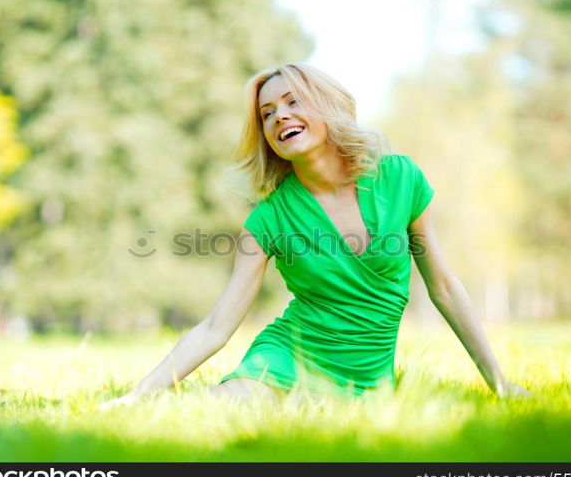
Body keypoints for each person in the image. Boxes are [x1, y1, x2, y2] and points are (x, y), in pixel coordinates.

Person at [99, 62, 530, 410]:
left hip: (366, 383)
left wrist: (499, 382)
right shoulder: (268, 220)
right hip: (285, 357)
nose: (279, 116)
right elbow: (216, 326)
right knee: (230, 408)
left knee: (317, 417)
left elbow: (445, 288)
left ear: (326, 107)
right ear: (267, 137)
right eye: (267, 114)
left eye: (292, 102)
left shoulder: (401, 179)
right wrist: (139, 395)